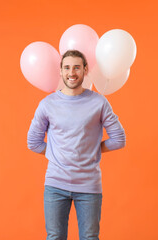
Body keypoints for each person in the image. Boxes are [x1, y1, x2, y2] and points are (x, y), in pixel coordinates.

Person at [27, 50, 126, 240]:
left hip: (89, 186)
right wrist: (57, 153)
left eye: (76, 67)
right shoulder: (48, 104)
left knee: (90, 237)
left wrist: (93, 150)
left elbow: (119, 139)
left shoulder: (99, 102)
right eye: (67, 67)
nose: (71, 72)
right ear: (61, 71)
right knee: (55, 237)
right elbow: (33, 142)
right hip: (55, 184)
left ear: (85, 70)